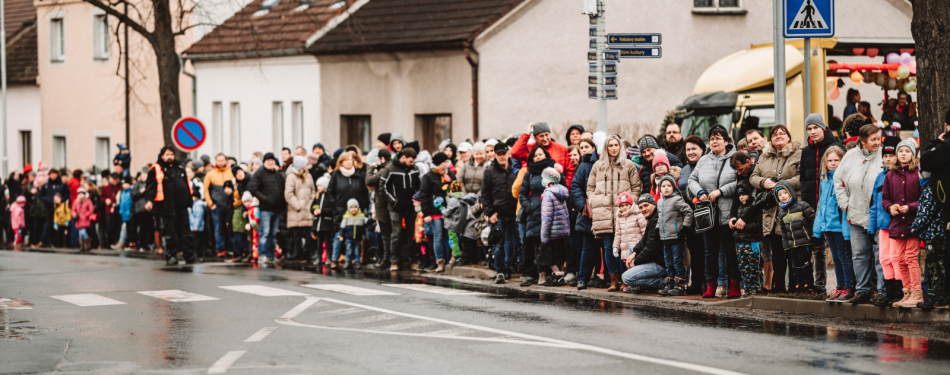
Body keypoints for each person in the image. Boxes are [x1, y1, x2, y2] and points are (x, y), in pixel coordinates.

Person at [833, 124, 884, 304]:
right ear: (862, 141)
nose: (878, 142)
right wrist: (845, 204)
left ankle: (882, 291)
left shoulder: (883, 156)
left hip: (879, 216)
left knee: (880, 255)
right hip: (855, 214)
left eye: (879, 138)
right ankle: (863, 290)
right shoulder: (850, 156)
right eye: (873, 140)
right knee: (860, 254)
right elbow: (838, 179)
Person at [750, 124, 802, 295]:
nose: (778, 136)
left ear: (789, 136)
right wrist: (763, 183)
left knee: (793, 250)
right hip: (771, 212)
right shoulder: (764, 156)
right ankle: (779, 286)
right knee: (777, 252)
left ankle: (795, 286)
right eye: (774, 134)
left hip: (791, 209)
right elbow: (753, 176)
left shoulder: (798, 153)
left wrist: (782, 185)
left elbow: (802, 177)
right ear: (770, 139)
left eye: (782, 133)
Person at [688, 126, 740, 299]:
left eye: (718, 138)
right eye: (712, 139)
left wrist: (721, 191)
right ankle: (711, 285)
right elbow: (692, 180)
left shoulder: (735, 158)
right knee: (710, 251)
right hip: (708, 215)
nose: (714, 141)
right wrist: (700, 193)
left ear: (726, 141)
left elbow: (740, 181)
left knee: (730, 250)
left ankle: (734, 286)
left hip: (728, 212)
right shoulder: (703, 160)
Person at [587, 135, 640, 291]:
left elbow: (636, 187)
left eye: (616, 145)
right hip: (603, 214)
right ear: (606, 147)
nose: (614, 148)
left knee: (625, 247)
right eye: (611, 145)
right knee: (608, 248)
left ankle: (625, 279)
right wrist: (593, 200)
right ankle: (613, 280)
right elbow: (590, 187)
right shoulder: (597, 166)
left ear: (620, 146)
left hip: (624, 213)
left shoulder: (628, 165)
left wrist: (630, 202)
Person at [884, 139, 923, 308]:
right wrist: (890, 207)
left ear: (912, 154)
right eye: (901, 151)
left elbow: (924, 199)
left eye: (907, 151)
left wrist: (911, 207)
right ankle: (906, 293)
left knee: (911, 257)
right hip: (897, 223)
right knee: (899, 259)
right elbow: (885, 198)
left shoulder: (917, 173)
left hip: (913, 223)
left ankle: (917, 293)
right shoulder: (890, 175)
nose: (903, 154)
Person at [813, 145, 855, 302]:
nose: (832, 163)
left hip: (839, 225)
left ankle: (849, 287)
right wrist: (818, 227)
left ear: (842, 161)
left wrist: (845, 228)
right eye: (829, 160)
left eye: (836, 160)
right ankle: (840, 286)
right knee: (836, 257)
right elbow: (821, 205)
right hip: (827, 225)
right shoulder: (824, 179)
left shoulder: (844, 180)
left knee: (844, 256)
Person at [145, 147, 199, 265]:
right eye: (167, 154)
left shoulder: (179, 167)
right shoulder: (156, 168)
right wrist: (149, 200)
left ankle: (189, 256)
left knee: (186, 232)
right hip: (166, 206)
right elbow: (150, 187)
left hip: (181, 205)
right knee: (170, 232)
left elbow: (186, 185)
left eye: (171, 154)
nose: (170, 157)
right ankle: (171, 255)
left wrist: (189, 200)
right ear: (162, 155)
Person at [519, 146, 562, 287]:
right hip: (535, 213)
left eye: (540, 154)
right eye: (535, 155)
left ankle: (554, 273)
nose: (537, 157)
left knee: (551, 244)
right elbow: (522, 193)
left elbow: (562, 188)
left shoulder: (552, 171)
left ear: (546, 155)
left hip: (551, 211)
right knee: (538, 244)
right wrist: (528, 206)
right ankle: (541, 272)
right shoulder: (529, 173)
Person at [868, 137, 901, 307]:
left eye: (891, 155)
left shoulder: (899, 176)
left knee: (896, 258)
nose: (888, 159)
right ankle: (888, 292)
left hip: (895, 225)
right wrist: (871, 226)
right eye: (885, 155)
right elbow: (874, 204)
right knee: (884, 259)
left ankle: (898, 291)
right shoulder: (879, 177)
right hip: (882, 226)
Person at [326, 153, 370, 269]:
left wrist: (362, 205)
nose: (349, 162)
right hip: (340, 211)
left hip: (356, 212)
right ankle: (334, 259)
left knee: (354, 237)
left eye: (350, 160)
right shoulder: (336, 175)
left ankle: (353, 260)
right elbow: (329, 192)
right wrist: (335, 205)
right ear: (341, 162)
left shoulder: (358, 174)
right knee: (339, 236)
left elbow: (364, 192)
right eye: (346, 160)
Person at [482, 143, 517, 283]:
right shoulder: (489, 172)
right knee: (498, 243)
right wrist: (490, 212)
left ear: (508, 154)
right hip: (498, 214)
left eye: (504, 153)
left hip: (514, 212)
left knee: (514, 242)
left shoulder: (515, 169)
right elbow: (485, 194)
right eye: (499, 154)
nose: (502, 156)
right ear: (495, 156)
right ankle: (500, 270)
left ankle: (509, 268)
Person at [382, 148, 420, 271]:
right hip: (395, 207)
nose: (412, 163)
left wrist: (417, 200)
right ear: (403, 157)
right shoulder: (390, 169)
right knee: (396, 234)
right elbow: (382, 188)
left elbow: (419, 187)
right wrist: (394, 201)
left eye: (413, 161)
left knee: (412, 234)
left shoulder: (415, 169)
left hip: (411, 207)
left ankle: (412, 259)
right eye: (410, 161)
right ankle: (394, 261)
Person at [774, 181, 817, 294]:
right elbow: (784, 231)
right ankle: (800, 286)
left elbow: (813, 220)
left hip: (804, 243)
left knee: (806, 265)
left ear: (791, 193)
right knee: (795, 267)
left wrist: (813, 236)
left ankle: (809, 287)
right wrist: (786, 247)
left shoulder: (802, 206)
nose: (783, 196)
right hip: (792, 246)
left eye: (785, 193)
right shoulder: (782, 213)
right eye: (779, 195)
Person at [572, 139, 602, 290]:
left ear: (594, 148)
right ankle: (583, 278)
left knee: (607, 247)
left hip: (605, 212)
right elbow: (575, 187)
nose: (584, 150)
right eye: (581, 147)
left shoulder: (605, 163)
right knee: (588, 247)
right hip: (588, 213)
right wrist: (582, 205)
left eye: (587, 147)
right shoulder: (583, 166)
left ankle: (606, 278)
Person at [655, 174, 693, 296]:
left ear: (674, 187)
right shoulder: (660, 202)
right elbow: (660, 219)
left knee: (677, 261)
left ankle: (680, 285)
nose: (666, 188)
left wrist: (685, 227)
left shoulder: (677, 199)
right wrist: (657, 230)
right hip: (665, 238)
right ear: (660, 188)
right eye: (663, 186)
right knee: (668, 262)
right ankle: (670, 284)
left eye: (669, 185)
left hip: (676, 237)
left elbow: (688, 212)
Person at [417, 152, 455, 272]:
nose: (447, 164)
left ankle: (449, 260)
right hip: (434, 211)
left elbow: (454, 187)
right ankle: (440, 261)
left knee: (447, 236)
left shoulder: (449, 174)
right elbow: (423, 195)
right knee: (438, 236)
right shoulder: (428, 176)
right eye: (445, 162)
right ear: (439, 163)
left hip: (448, 210)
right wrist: (426, 213)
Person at [248, 152, 286, 265]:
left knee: (273, 233)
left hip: (277, 209)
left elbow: (282, 189)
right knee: (265, 232)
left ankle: (271, 254)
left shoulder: (278, 175)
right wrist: (265, 199)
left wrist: (282, 204)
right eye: (268, 160)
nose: (270, 162)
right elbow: (253, 189)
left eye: (272, 160)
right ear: (264, 162)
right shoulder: (259, 174)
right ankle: (262, 254)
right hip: (265, 208)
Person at [621, 195, 664, 292]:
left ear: (653, 204)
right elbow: (643, 241)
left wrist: (635, 263)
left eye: (646, 205)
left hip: (661, 264)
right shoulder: (651, 219)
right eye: (640, 207)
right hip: (654, 258)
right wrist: (634, 253)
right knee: (633, 248)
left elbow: (651, 248)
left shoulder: (656, 220)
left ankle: (663, 282)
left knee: (626, 278)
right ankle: (643, 285)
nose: (643, 209)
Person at [512, 122, 576, 187]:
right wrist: (526, 134)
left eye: (547, 135)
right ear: (534, 137)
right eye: (541, 136)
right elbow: (515, 153)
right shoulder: (530, 150)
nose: (545, 138)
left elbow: (570, 172)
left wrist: (564, 190)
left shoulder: (562, 149)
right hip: (536, 192)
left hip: (557, 192)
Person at [537, 167, 571, 286]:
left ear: (547, 180)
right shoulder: (562, 192)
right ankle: (560, 277)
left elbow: (547, 217)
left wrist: (544, 236)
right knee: (560, 255)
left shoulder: (548, 194)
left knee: (548, 257)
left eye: (543, 178)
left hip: (552, 232)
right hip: (562, 231)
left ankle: (558, 276)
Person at [732, 181, 762, 297]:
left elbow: (758, 225)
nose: (741, 197)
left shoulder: (754, 208)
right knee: (743, 267)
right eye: (739, 195)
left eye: (744, 195)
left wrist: (745, 226)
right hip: (740, 243)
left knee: (754, 267)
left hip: (753, 242)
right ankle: (748, 288)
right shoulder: (739, 208)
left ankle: (756, 288)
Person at [365, 149, 393, 267]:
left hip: (383, 208)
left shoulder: (383, 170)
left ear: (381, 158)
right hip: (392, 206)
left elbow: (369, 180)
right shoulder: (393, 168)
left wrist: (371, 168)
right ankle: (390, 259)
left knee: (386, 236)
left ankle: (387, 260)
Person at [285, 155, 315, 262]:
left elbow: (313, 191)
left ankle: (307, 253)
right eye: (306, 164)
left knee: (308, 233)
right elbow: (288, 194)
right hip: (296, 210)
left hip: (307, 210)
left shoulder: (309, 176)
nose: (308, 166)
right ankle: (297, 254)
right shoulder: (291, 177)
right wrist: (298, 206)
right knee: (297, 234)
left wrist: (311, 204)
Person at [611, 191, 646, 274]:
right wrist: (616, 246)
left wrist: (644, 244)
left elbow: (644, 229)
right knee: (627, 267)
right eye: (622, 206)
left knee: (636, 267)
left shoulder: (638, 214)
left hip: (636, 248)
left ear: (631, 204)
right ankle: (628, 283)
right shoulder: (619, 217)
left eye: (627, 205)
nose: (625, 207)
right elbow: (618, 234)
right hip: (624, 249)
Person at [339, 199, 368, 270]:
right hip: (348, 238)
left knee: (357, 251)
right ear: (348, 209)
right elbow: (342, 227)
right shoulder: (346, 217)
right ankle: (348, 262)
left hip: (358, 239)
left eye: (355, 207)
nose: (353, 209)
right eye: (351, 207)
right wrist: (341, 235)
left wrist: (372, 219)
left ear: (358, 208)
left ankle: (357, 262)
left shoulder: (361, 216)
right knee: (349, 250)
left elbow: (367, 221)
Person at [72, 187, 95, 251]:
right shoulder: (76, 201)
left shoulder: (88, 201)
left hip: (85, 219)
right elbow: (73, 210)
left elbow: (91, 209)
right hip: (79, 220)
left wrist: (86, 214)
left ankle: (86, 245)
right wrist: (75, 215)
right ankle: (82, 245)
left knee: (84, 232)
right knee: (80, 233)